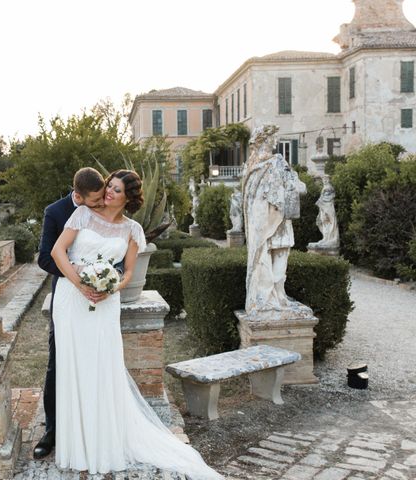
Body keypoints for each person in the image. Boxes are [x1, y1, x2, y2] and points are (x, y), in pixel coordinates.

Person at [49, 170, 223, 478]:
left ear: (128, 198)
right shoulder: (83, 214)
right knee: (74, 366)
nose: (109, 193)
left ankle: (104, 441)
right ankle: (77, 446)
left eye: (116, 190)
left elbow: (128, 273)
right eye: (109, 187)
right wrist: (80, 284)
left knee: (103, 367)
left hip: (104, 303)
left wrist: (109, 288)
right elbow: (57, 252)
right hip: (71, 299)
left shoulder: (132, 230)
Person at [34, 167, 107, 459]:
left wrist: (104, 275)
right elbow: (44, 258)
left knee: (96, 359)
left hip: (98, 297)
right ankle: (52, 429)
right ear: (78, 195)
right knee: (58, 362)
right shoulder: (56, 212)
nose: (100, 203)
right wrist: (78, 274)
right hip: (67, 295)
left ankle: (93, 425)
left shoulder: (103, 208)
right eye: (94, 199)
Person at [242, 125, 306, 314]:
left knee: (281, 258)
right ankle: (263, 298)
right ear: (262, 139)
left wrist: (291, 189)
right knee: (262, 258)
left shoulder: (280, 163)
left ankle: (279, 296)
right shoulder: (252, 167)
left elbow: (300, 186)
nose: (275, 140)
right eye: (272, 136)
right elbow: (249, 199)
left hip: (280, 220)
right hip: (262, 222)